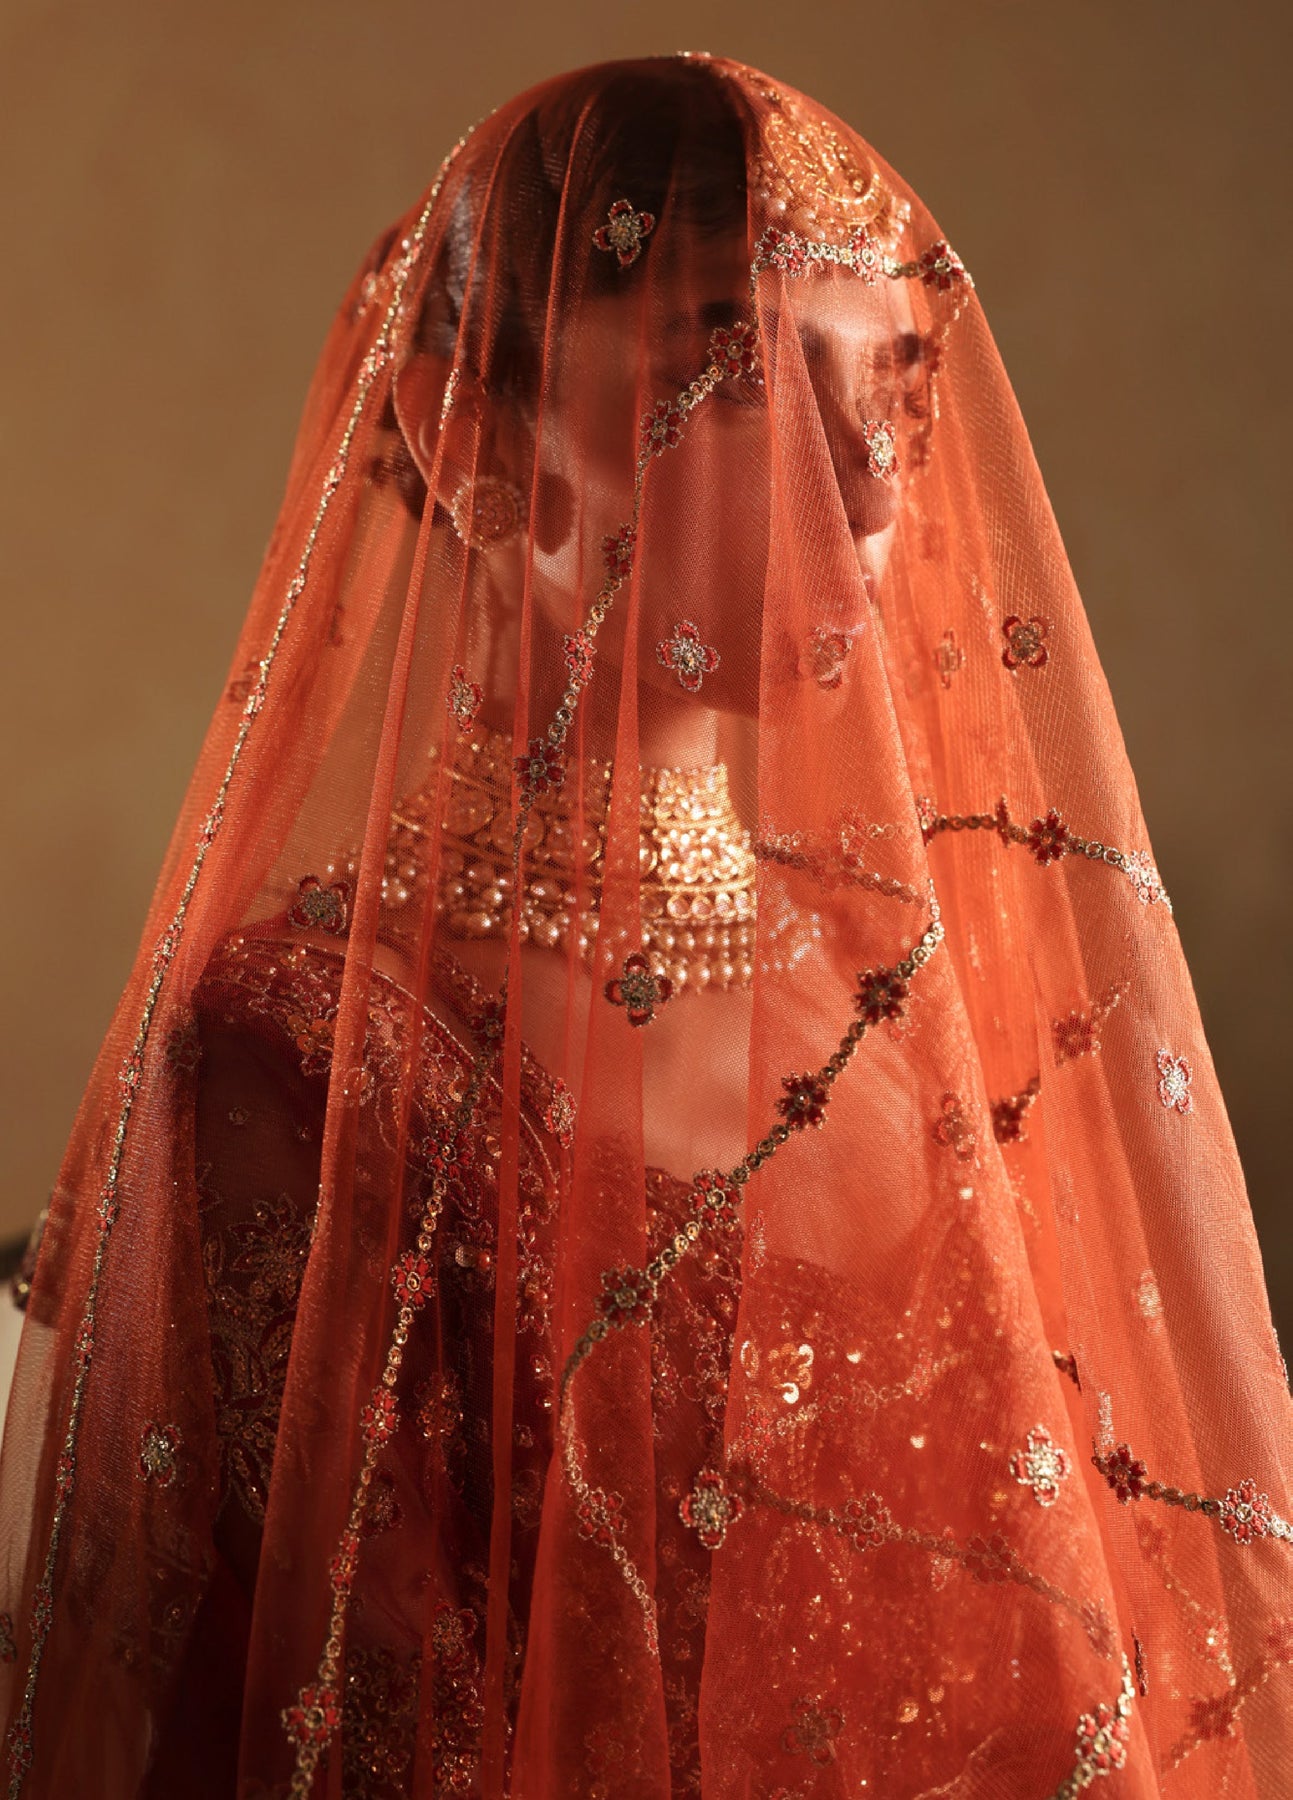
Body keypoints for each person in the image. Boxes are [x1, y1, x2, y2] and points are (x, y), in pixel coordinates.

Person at [0, 51, 1289, 1799]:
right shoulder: (314, 1052)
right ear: (471, 439)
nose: (871, 484)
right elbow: (371, 1729)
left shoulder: (905, 979)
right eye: (744, 372)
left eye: (896, 394)